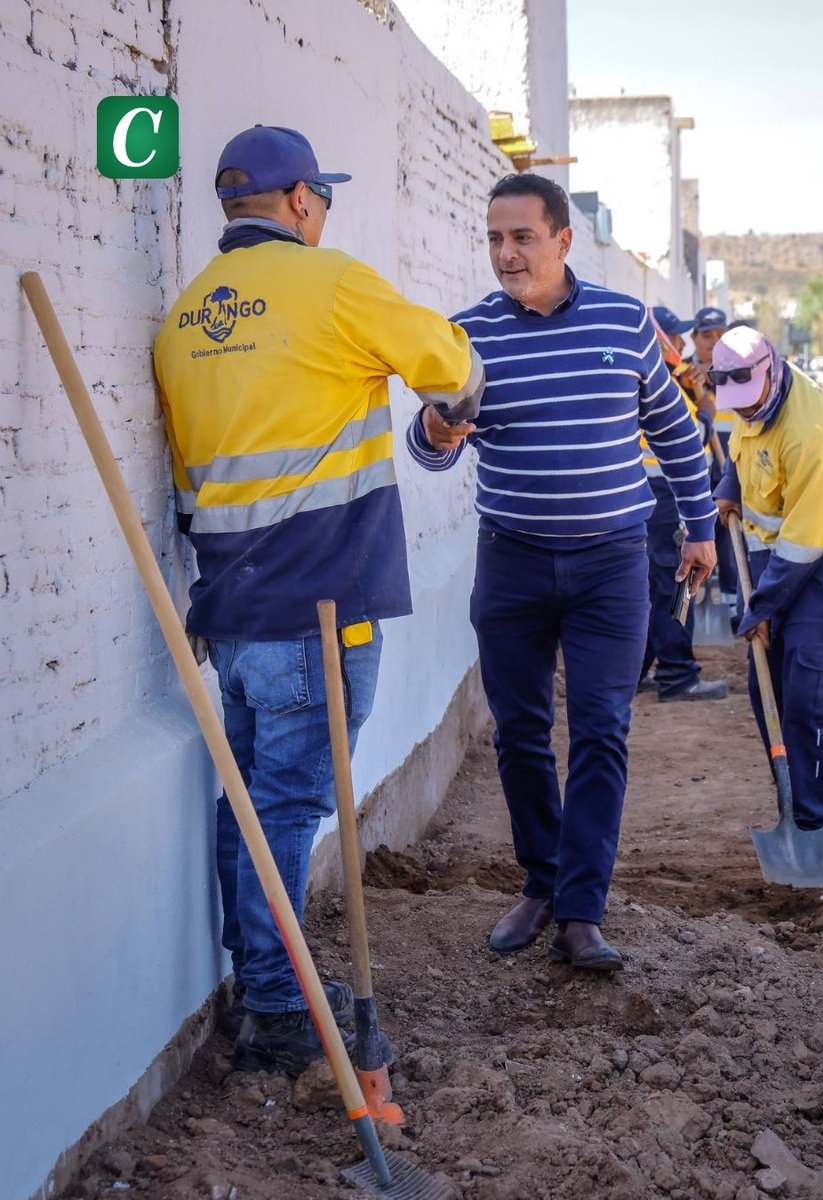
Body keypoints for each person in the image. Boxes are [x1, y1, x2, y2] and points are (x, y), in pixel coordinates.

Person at [153, 125, 484, 1075]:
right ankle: (272, 1001)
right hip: (322, 605)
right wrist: (452, 407)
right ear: (300, 200)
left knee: (251, 802)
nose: (326, 210)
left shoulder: (186, 320)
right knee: (290, 805)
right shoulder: (330, 282)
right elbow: (452, 369)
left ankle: (264, 979)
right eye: (323, 196)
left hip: (235, 607)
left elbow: (187, 482)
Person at [406, 174, 717, 970]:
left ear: (563, 241)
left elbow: (676, 432)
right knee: (518, 732)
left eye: (522, 238)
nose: (506, 254)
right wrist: (439, 432)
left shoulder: (624, 320)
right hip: (510, 559)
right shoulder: (466, 336)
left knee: (603, 731)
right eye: (495, 240)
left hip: (611, 561)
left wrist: (700, 526)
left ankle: (583, 911)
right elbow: (426, 445)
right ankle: (541, 884)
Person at [712, 326, 823, 839]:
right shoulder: (750, 402)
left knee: (806, 688)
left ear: (772, 369)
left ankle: (818, 819)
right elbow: (745, 447)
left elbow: (807, 541)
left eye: (748, 397)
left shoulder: (812, 434)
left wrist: (761, 606)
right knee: (768, 684)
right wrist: (729, 487)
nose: (742, 408)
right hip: (775, 550)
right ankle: (796, 804)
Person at [638, 307, 729, 701]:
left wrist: (694, 392)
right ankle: (676, 674)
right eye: (673, 339)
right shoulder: (656, 384)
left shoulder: (668, 380)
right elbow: (688, 435)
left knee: (658, 584)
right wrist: (706, 413)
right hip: (665, 492)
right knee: (676, 582)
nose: (680, 346)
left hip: (659, 492)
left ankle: (636, 669)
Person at [686, 307, 738, 625]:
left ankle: (733, 610)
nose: (714, 341)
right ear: (695, 339)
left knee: (729, 542)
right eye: (707, 335)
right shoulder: (683, 376)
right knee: (695, 540)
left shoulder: (736, 373)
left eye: (721, 335)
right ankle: (689, 608)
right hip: (697, 470)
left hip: (730, 466)